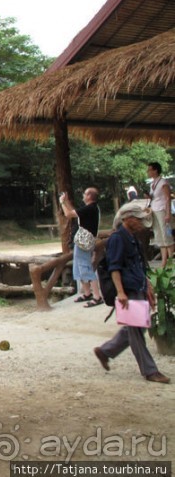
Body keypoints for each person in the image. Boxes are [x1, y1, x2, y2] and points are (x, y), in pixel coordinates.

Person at [93, 204, 170, 384]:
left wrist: (147, 285)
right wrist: (120, 292)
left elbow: (139, 265)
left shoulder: (132, 238)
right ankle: (150, 371)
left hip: (137, 287)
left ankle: (106, 351)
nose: (142, 224)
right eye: (139, 219)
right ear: (127, 219)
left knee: (137, 326)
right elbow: (115, 268)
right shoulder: (118, 239)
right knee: (136, 331)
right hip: (128, 289)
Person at [60, 188, 102, 307]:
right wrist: (67, 201)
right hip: (84, 241)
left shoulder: (90, 208)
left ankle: (97, 296)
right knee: (79, 267)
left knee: (85, 268)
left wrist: (62, 202)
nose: (83, 195)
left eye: (85, 194)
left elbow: (68, 214)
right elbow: (74, 211)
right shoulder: (93, 208)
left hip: (84, 242)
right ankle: (87, 293)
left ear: (89, 196)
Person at [146, 162, 173, 265]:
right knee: (158, 234)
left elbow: (167, 198)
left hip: (162, 210)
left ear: (155, 170)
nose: (148, 172)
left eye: (149, 170)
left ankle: (170, 259)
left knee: (166, 234)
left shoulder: (163, 182)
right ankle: (164, 260)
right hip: (154, 209)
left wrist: (168, 213)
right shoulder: (152, 183)